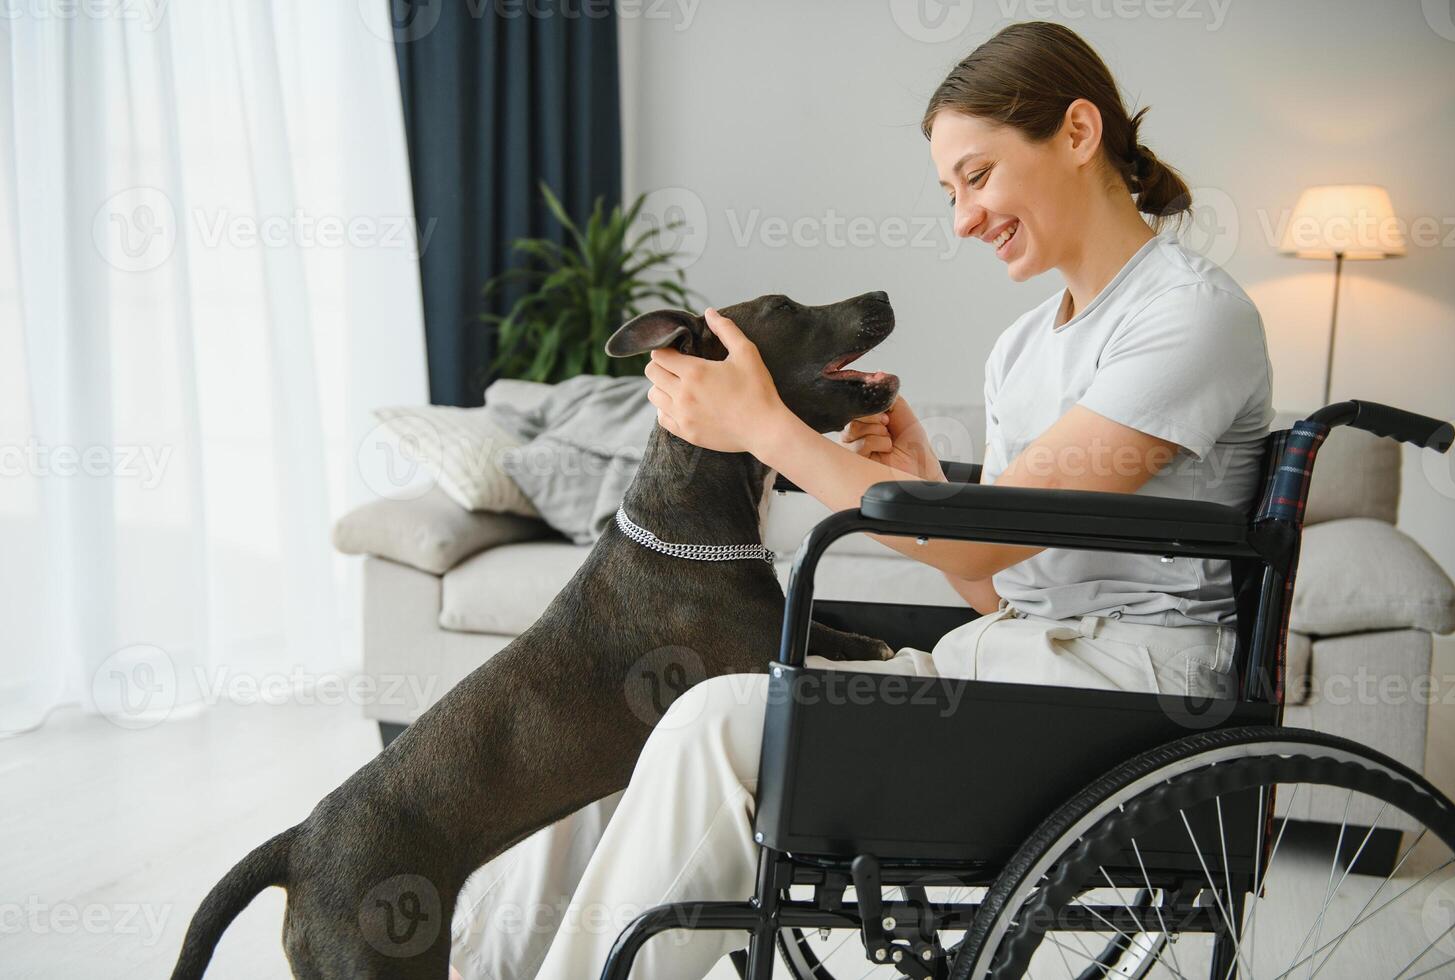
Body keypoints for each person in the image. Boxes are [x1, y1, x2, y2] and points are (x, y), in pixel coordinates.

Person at [449, 19, 1274, 980]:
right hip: (1019, 671)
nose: (961, 217)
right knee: (644, 691)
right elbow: (1000, 590)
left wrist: (766, 426)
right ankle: (480, 970)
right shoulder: (1022, 347)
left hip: (1135, 703)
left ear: (1079, 133)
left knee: (717, 724)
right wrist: (922, 482)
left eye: (976, 175)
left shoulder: (1187, 316)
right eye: (949, 190)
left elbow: (979, 556)